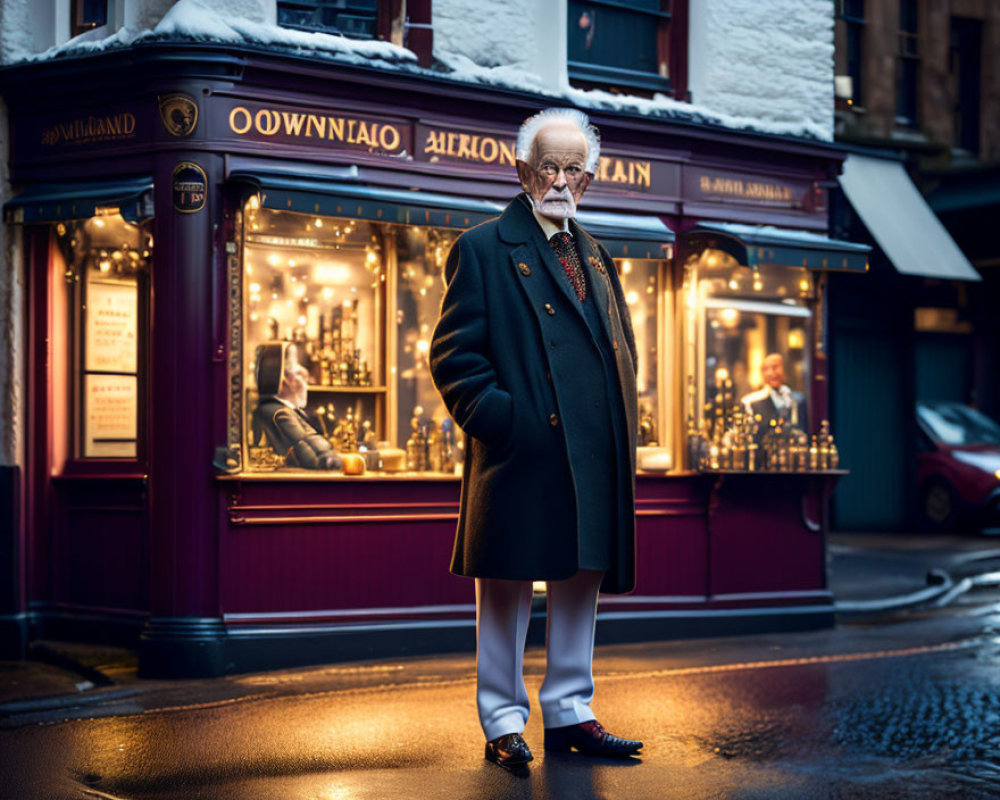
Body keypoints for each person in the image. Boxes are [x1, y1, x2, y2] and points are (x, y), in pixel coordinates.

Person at [430, 107, 643, 771]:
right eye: (547, 166)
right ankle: (500, 721)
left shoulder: (599, 254)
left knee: (582, 583)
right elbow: (454, 358)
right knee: (506, 591)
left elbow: (618, 351)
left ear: (588, 180)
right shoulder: (484, 248)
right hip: (524, 453)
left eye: (572, 169)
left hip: (593, 457)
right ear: (522, 171)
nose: (559, 179)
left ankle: (571, 711)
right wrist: (507, 424)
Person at [252, 342, 344, 470]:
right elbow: (316, 461)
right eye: (297, 373)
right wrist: (343, 461)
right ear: (281, 380)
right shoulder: (280, 413)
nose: (305, 377)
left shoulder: (283, 411)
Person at [741, 352, 808, 436]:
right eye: (766, 369)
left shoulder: (798, 399)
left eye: (775, 367)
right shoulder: (750, 401)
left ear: (785, 369)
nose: (771, 373)